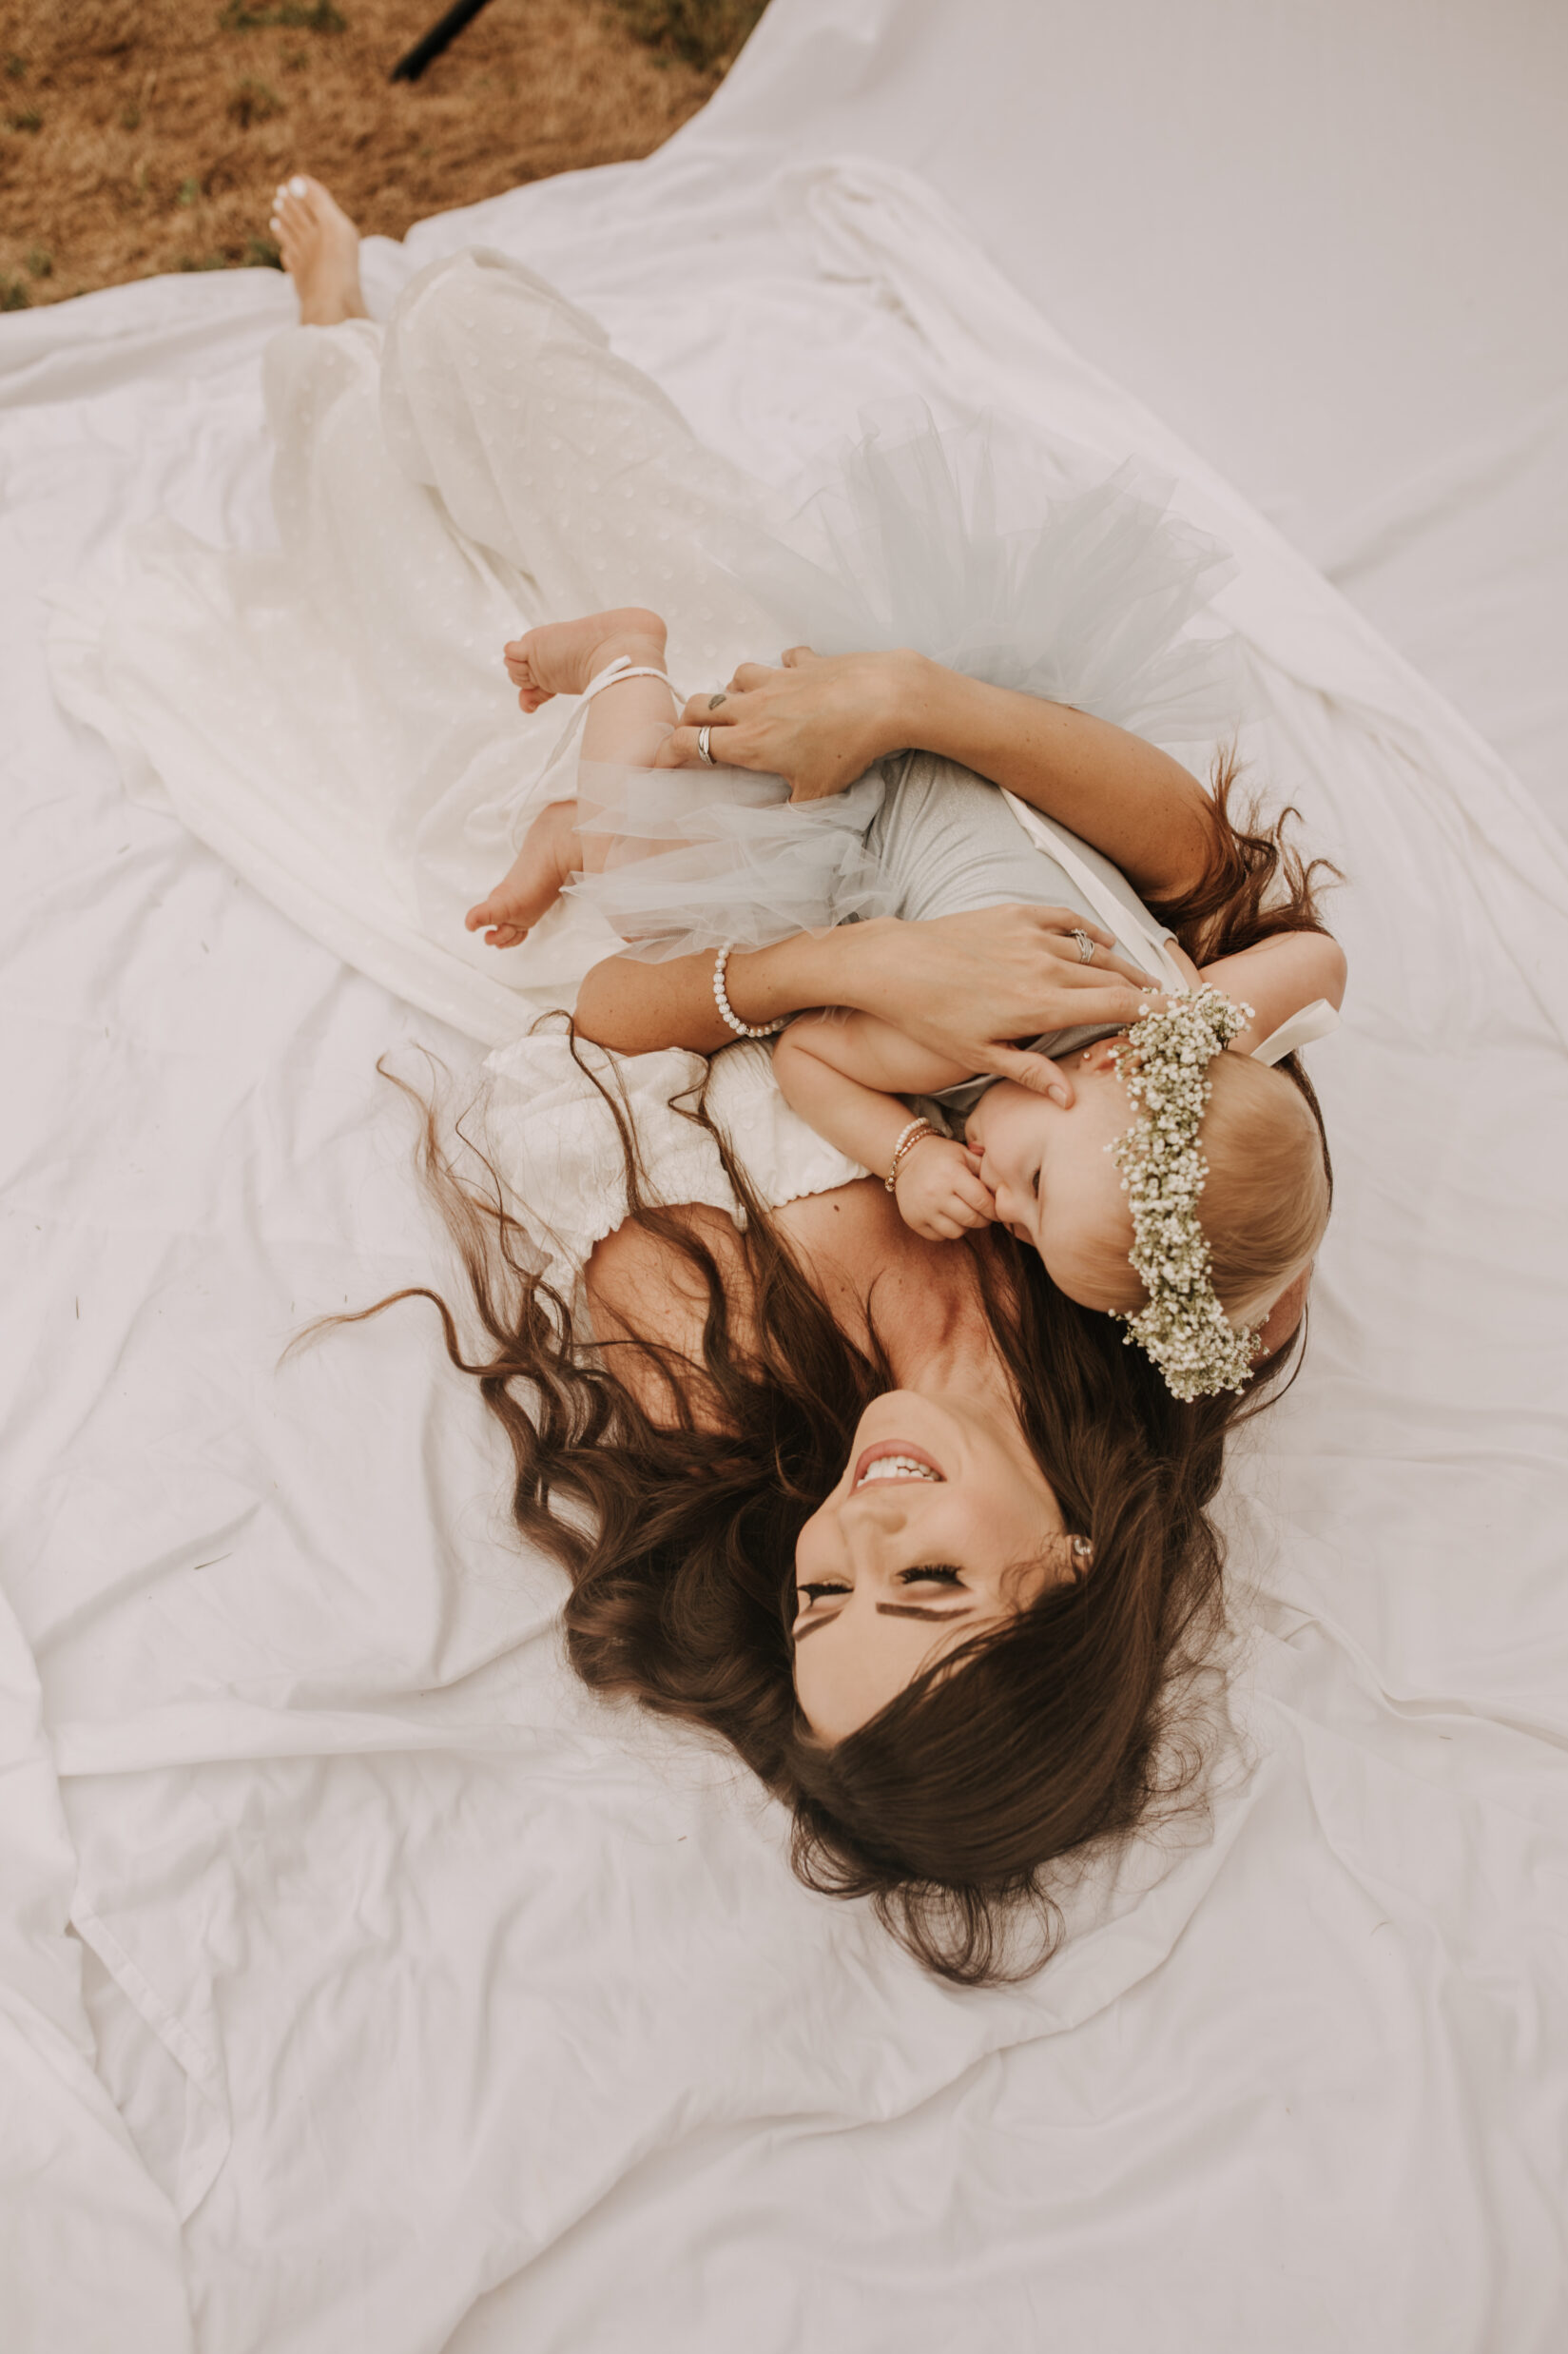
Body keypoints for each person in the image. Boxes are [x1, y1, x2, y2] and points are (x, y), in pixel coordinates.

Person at [246, 178, 1335, 1979]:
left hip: (595, 893)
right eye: (934, 1585)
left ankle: (321, 338)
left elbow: (570, 1045)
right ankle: (412, 324)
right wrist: (912, 703)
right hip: (852, 752)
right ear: (1060, 1583)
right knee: (488, 351)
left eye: (829, 1586)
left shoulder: (720, 1377)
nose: (868, 1523)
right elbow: (1201, 891)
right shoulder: (1187, 1297)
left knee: (376, 530)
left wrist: (852, 974)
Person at [464, 604, 1344, 1394]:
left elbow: (1317, 963)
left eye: (1028, 1235)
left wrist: (1196, 1024)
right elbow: (807, 1052)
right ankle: (621, 661)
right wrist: (908, 1148)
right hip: (858, 790)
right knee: (635, 874)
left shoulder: (1172, 1032)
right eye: (1033, 1183)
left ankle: (573, 824)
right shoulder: (969, 1047)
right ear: (1126, 1065)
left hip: (940, 758)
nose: (1003, 1206)